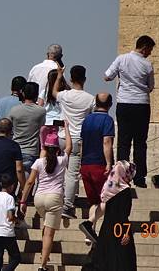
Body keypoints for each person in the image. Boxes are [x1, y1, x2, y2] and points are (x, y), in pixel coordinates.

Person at [104, 35, 155, 188]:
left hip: (124, 103)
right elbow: (151, 86)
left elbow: (107, 76)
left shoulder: (122, 59)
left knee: (123, 142)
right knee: (140, 142)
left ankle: (121, 176)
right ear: (144, 47)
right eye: (150, 50)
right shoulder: (147, 64)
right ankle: (139, 177)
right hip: (141, 104)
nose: (150, 53)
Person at [21, 128, 72, 271]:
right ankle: (42, 265)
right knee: (49, 233)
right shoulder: (62, 160)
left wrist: (23, 201)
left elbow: (30, 182)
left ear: (44, 148)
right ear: (57, 150)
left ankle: (44, 254)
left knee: (46, 226)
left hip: (39, 199)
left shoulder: (38, 162)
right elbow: (69, 146)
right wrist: (66, 128)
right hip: (54, 198)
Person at [52, 65, 95, 218]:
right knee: (72, 174)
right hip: (77, 139)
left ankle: (59, 200)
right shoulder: (90, 99)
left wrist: (58, 75)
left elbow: (54, 92)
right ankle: (68, 206)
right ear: (84, 79)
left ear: (71, 78)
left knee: (60, 171)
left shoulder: (64, 95)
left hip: (62, 137)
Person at [78, 93, 115, 242]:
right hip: (99, 164)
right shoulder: (107, 120)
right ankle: (89, 223)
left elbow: (81, 142)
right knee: (109, 199)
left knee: (94, 201)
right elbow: (107, 142)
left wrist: (81, 162)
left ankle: (89, 233)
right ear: (110, 104)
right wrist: (109, 163)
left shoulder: (87, 120)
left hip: (85, 164)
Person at [90, 160, 137, 271]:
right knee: (121, 262)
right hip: (119, 229)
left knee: (104, 260)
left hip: (106, 229)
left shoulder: (109, 189)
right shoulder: (124, 190)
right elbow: (124, 214)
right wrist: (126, 232)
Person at [8, 81, 45, 176]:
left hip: (15, 150)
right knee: (28, 185)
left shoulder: (14, 110)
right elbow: (42, 127)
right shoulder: (41, 111)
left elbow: (8, 127)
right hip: (32, 151)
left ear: (23, 93)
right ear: (36, 95)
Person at [0, 174, 20, 271]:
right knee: (16, 257)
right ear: (12, 186)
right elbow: (10, 216)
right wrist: (17, 220)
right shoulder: (10, 198)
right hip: (6, 232)